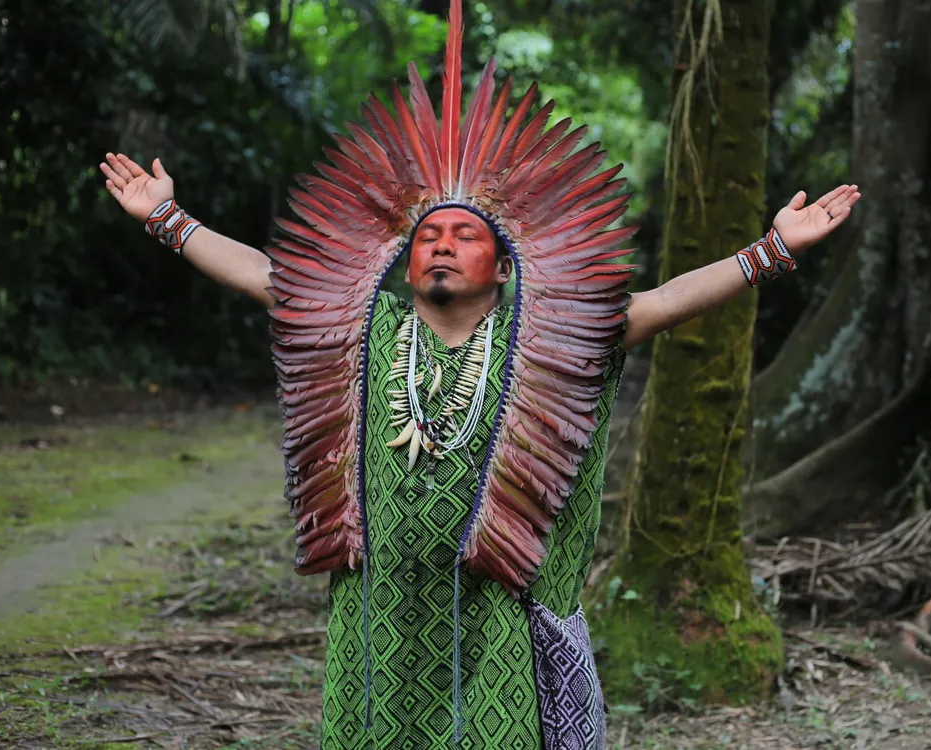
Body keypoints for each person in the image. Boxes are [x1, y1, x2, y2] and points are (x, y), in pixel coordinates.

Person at [99, 3, 859, 747]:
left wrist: (772, 251)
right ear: (406, 262)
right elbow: (268, 277)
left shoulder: (546, 335)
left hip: (497, 623)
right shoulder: (373, 329)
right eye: (429, 235)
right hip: (380, 619)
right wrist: (168, 218)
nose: (441, 244)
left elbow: (655, 304)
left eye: (465, 235)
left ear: (501, 266)